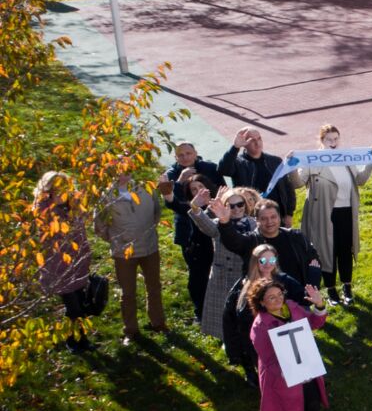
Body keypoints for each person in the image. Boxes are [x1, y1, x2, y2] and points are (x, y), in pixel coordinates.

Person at [246, 276, 330, 411]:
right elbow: (267, 360)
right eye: (271, 298)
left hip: (306, 369)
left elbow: (314, 323)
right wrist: (290, 371)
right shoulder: (260, 325)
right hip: (281, 378)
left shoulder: (292, 307)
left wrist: (319, 305)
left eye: (279, 295)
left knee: (312, 407)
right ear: (261, 302)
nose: (278, 300)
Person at [294, 124, 372, 307]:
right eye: (329, 139)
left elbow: (360, 180)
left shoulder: (346, 158)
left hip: (346, 212)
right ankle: (331, 289)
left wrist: (371, 160)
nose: (333, 142)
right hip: (324, 214)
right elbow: (298, 183)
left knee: (345, 250)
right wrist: (292, 166)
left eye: (336, 138)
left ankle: (347, 287)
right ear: (321, 141)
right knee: (326, 251)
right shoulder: (312, 160)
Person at [94, 178, 165, 346]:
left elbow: (157, 211)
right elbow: (99, 224)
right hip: (123, 253)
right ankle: (131, 330)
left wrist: (149, 233)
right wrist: (116, 241)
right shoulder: (106, 195)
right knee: (127, 292)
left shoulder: (146, 187)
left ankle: (158, 323)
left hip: (150, 247)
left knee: (154, 286)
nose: (123, 173)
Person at [225, 246, 305, 391]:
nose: (268, 264)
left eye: (272, 259)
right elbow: (239, 318)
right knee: (270, 371)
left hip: (283, 334)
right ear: (255, 262)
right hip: (260, 336)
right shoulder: (245, 285)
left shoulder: (282, 279)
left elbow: (303, 296)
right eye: (263, 260)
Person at [34, 172, 95, 351]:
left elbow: (83, 223)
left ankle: (81, 339)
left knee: (81, 302)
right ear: (49, 189)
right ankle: (72, 340)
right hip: (58, 265)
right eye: (57, 187)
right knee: (73, 306)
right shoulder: (43, 207)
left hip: (78, 261)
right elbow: (47, 235)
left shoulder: (73, 203)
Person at [190, 188, 257, 343]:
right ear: (224, 207)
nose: (236, 209)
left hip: (246, 275)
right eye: (231, 206)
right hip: (223, 276)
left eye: (240, 204)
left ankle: (248, 339)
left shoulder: (253, 223)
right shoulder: (218, 224)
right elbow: (203, 223)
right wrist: (195, 206)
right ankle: (227, 341)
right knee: (223, 311)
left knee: (245, 310)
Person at [164, 143, 221, 316]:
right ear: (175, 158)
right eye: (180, 155)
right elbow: (173, 203)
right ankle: (201, 311)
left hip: (215, 234)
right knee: (197, 275)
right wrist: (180, 182)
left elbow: (221, 190)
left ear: (196, 153)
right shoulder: (172, 175)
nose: (185, 157)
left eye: (188, 153)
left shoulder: (209, 168)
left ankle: (219, 307)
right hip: (189, 235)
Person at [220, 196, 321, 292]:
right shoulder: (251, 241)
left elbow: (314, 261)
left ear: (280, 217)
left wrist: (310, 289)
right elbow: (233, 242)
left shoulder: (296, 236)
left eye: (273, 217)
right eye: (264, 218)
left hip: (297, 298)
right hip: (265, 300)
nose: (269, 222)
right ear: (256, 220)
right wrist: (225, 222)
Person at [219, 127, 295, 224]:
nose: (257, 143)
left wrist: (289, 214)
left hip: (277, 214)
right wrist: (235, 147)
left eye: (259, 139)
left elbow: (288, 188)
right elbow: (223, 170)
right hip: (251, 217)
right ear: (244, 144)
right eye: (252, 140)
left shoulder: (275, 161)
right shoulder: (238, 163)